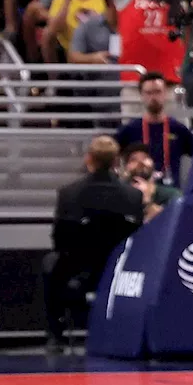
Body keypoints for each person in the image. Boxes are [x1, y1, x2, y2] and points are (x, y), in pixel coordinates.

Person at [46, 136, 143, 353]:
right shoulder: (133, 196)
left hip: (77, 270)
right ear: (116, 161)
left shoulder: (68, 194)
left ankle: (56, 335)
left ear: (89, 159)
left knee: (50, 262)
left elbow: (58, 239)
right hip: (118, 270)